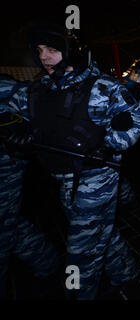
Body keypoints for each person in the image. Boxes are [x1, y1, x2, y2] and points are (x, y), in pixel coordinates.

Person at [7, 21, 140, 299]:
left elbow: (138, 118)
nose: (44, 56)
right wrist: (12, 128)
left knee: (81, 254)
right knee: (99, 233)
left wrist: (112, 142)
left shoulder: (101, 86)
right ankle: (126, 273)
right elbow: (9, 114)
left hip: (96, 179)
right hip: (63, 179)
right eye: (39, 50)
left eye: (51, 50)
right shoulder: (38, 90)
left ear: (72, 52)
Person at [0, 75, 60, 299]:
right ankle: (49, 263)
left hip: (6, 171)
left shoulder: (10, 88)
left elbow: (45, 110)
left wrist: (26, 130)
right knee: (11, 226)